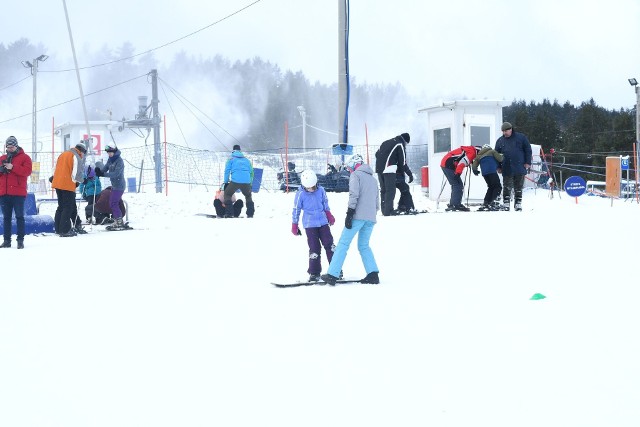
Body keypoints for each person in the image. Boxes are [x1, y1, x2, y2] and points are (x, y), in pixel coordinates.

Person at [321, 154, 380, 285]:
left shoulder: (356, 176)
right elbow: (377, 202)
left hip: (357, 216)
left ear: (354, 164)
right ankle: (373, 274)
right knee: (364, 246)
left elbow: (354, 195)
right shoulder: (373, 179)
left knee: (343, 243)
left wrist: (350, 213)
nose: (349, 170)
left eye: (349, 167)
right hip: (371, 218)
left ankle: (332, 274)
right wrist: (371, 214)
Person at [291, 170, 337, 282]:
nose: (311, 189)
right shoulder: (300, 194)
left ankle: (336, 269)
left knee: (330, 245)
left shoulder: (321, 190)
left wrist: (329, 215)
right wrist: (294, 224)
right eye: (308, 187)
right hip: (310, 225)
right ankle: (314, 273)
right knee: (314, 249)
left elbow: (325, 204)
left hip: (323, 223)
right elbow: (296, 209)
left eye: (312, 187)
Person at [0, 136, 33, 249]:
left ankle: (20, 241)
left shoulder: (25, 158)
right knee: (6, 218)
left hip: (18, 193)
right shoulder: (2, 158)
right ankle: (7, 241)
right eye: (8, 147)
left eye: (12, 147)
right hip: (4, 193)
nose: (10, 149)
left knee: (19, 217)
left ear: (16, 145)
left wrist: (13, 167)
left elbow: (27, 171)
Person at [51, 141, 87, 236]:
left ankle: (58, 228)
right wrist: (82, 181)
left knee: (61, 206)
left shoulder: (63, 154)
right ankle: (65, 230)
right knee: (68, 207)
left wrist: (54, 178)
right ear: (82, 151)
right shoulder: (76, 157)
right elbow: (76, 173)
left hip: (58, 183)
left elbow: (54, 168)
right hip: (67, 184)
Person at [495, 122, 532, 211]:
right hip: (506, 166)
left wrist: (528, 162)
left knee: (518, 186)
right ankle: (506, 203)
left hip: (520, 165)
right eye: (503, 131)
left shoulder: (521, 137)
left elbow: (528, 150)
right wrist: (498, 166)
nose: (505, 133)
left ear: (511, 129)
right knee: (507, 186)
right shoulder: (500, 140)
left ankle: (518, 203)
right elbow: (496, 154)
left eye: (506, 131)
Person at [375, 132, 411, 216]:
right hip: (389, 168)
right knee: (390, 190)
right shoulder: (400, 144)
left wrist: (382, 162)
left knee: (383, 190)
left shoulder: (386, 142)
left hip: (379, 168)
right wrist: (407, 174)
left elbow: (377, 154)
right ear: (405, 141)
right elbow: (402, 162)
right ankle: (389, 211)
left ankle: (384, 210)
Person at [95, 144, 127, 230]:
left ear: (114, 151)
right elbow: (105, 168)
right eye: (108, 153)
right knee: (112, 203)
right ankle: (118, 220)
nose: (109, 154)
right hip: (114, 185)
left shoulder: (119, 161)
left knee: (113, 203)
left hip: (120, 185)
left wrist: (103, 174)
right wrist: (99, 171)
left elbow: (116, 174)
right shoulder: (110, 160)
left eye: (110, 152)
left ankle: (119, 221)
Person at [440, 145, 479, 211]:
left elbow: (463, 159)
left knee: (456, 185)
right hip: (448, 164)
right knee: (457, 185)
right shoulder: (472, 153)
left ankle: (454, 203)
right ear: (478, 151)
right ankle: (455, 204)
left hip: (446, 163)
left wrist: (473, 169)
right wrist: (458, 173)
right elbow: (462, 163)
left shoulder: (470, 150)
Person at [223, 144, 255, 218]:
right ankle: (250, 213)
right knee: (248, 195)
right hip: (246, 181)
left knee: (227, 194)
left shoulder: (231, 159)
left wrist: (226, 182)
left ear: (233, 151)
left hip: (235, 181)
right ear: (240, 151)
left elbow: (227, 171)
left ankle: (229, 213)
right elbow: (252, 172)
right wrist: (250, 183)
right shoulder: (247, 160)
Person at [472, 144, 504, 211]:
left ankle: (486, 203)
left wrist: (475, 170)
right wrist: (503, 155)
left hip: (485, 174)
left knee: (491, 187)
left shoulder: (479, 156)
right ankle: (494, 202)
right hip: (492, 171)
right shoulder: (492, 151)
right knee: (497, 186)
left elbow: (474, 165)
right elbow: (500, 159)